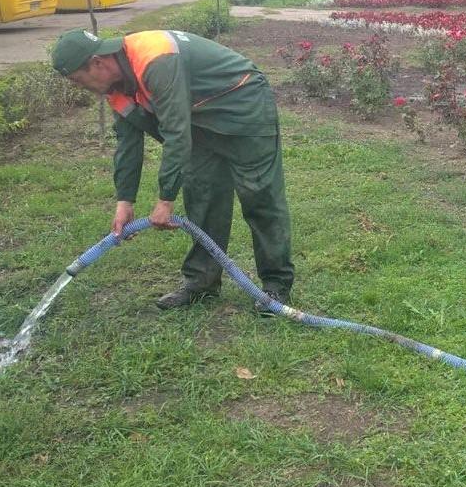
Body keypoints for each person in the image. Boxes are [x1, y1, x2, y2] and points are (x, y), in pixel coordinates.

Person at [51, 28, 294, 311]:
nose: (84, 88)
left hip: (242, 106)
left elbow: (176, 133)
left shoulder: (155, 58)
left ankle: (276, 287)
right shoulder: (116, 87)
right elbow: (128, 147)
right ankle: (202, 283)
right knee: (202, 194)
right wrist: (124, 201)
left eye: (80, 81)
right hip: (199, 117)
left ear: (97, 62)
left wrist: (165, 200)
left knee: (259, 196)